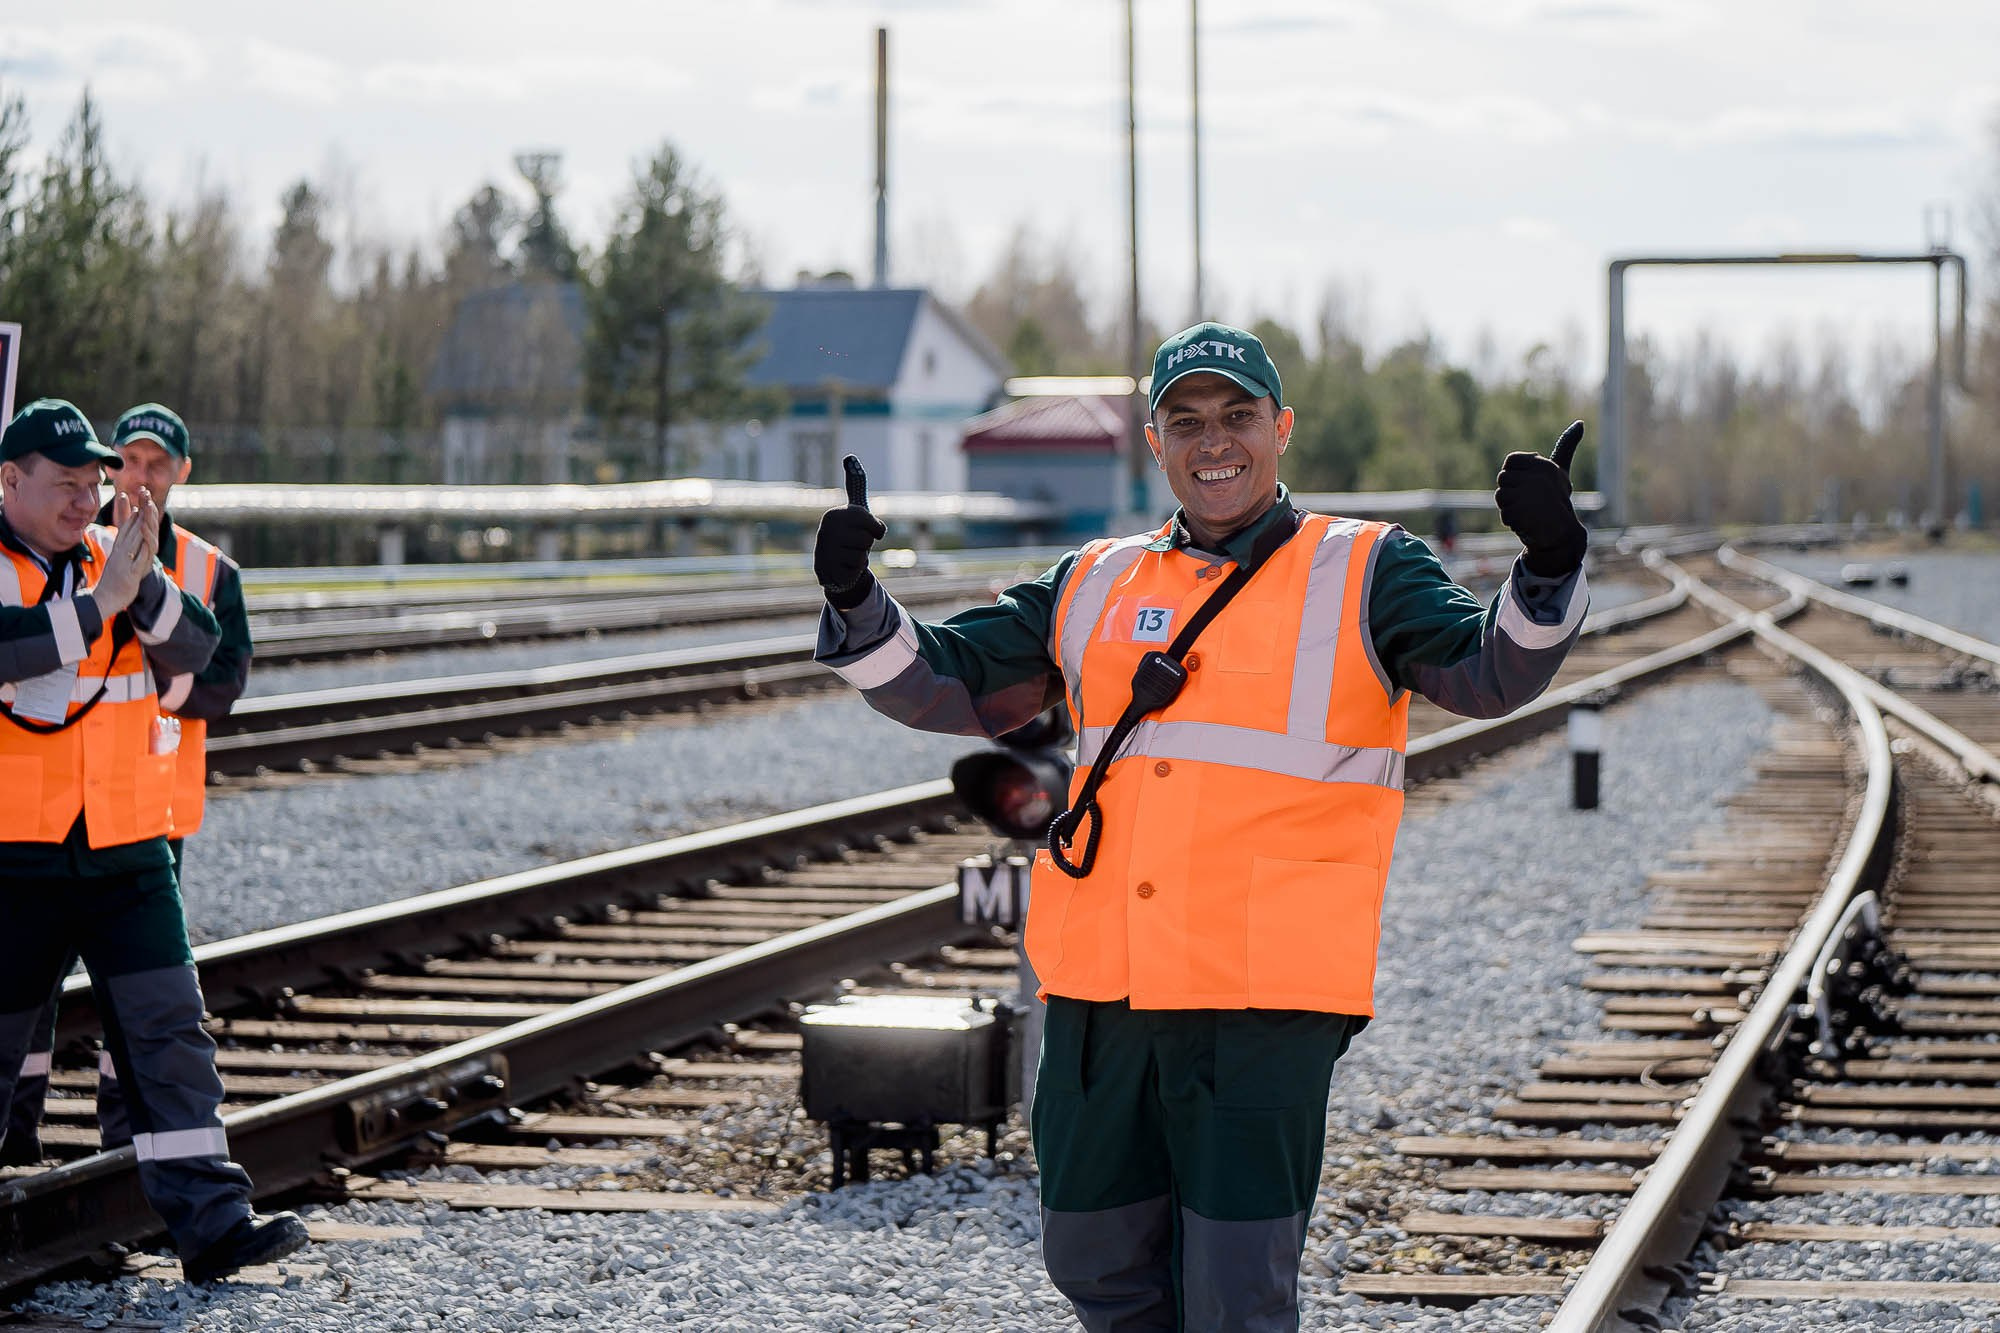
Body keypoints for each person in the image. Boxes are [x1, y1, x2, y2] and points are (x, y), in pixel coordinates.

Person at [813, 323, 1590, 1332]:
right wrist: (855, 597)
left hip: (1259, 994)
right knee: (1091, 1256)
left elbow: (1489, 672)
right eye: (1186, 422)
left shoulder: (1366, 569)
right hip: (1101, 988)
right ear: (1154, 442)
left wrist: (1548, 562)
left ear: (1280, 429)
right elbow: (941, 681)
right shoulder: (1091, 578)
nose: (1212, 440)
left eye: (1236, 416)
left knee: (1232, 1293)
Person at [0, 399, 305, 1282]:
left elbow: (202, 655)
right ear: (10, 482)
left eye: (94, 485)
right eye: (69, 486)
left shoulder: (115, 556)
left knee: (170, 1033)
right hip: (16, 853)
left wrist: (148, 589)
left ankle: (213, 1226)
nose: (87, 502)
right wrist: (101, 603)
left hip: (129, 844)